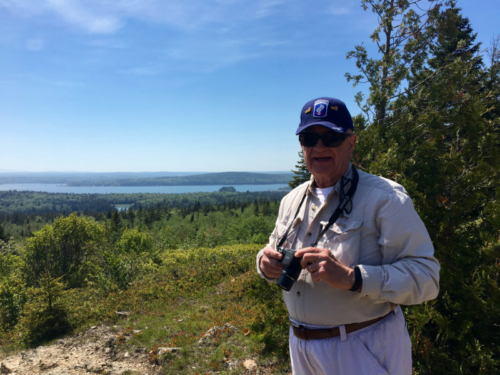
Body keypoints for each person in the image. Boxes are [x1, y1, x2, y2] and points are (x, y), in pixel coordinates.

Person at [256, 97, 440, 375]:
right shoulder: (291, 200)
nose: (319, 147)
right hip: (301, 348)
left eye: (330, 137)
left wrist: (353, 278)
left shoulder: (385, 199)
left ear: (351, 143)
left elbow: (427, 278)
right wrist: (264, 264)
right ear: (302, 146)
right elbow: (271, 249)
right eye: (310, 137)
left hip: (361, 346)